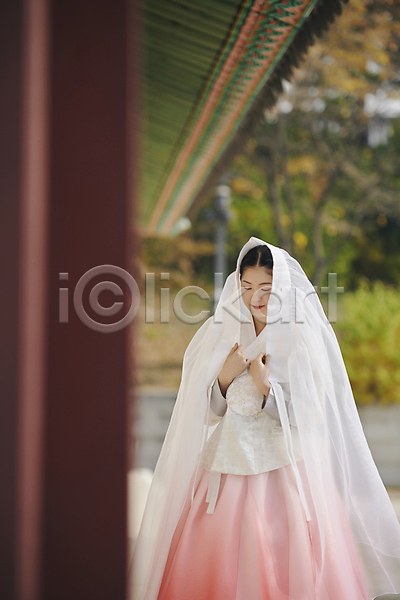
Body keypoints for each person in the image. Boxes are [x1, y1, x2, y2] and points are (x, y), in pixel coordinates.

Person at [129, 236, 400, 600]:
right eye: (247, 287)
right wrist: (225, 376)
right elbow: (207, 412)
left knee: (282, 553)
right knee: (215, 550)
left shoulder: (299, 340)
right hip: (224, 466)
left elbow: (311, 415)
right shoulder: (223, 333)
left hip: (283, 469)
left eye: (266, 288)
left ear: (283, 289)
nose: (255, 298)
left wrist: (265, 387)